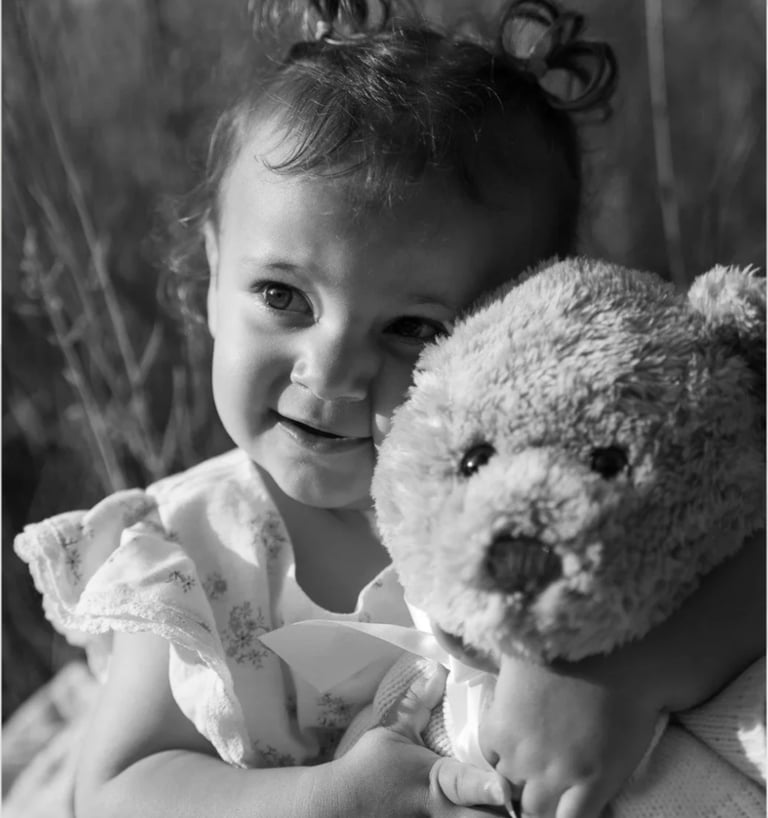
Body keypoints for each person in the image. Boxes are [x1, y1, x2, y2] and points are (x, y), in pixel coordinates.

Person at [12, 1, 763, 817]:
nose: (329, 370)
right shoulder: (194, 544)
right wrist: (328, 799)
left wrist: (627, 673)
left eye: (412, 327)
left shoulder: (544, 494)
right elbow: (116, 789)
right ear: (214, 268)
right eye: (282, 296)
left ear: (515, 321)